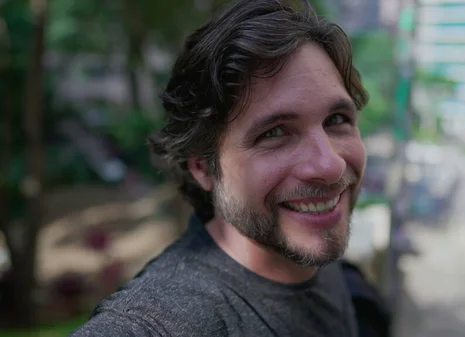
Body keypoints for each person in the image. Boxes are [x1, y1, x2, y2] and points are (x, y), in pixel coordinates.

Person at [69, 0, 373, 336]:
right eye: (274, 133)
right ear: (203, 167)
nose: (330, 165)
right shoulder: (164, 321)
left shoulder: (311, 251)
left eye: (337, 120)